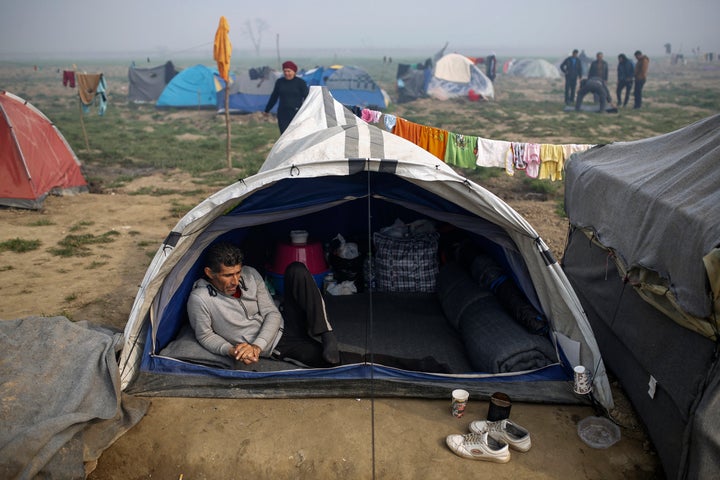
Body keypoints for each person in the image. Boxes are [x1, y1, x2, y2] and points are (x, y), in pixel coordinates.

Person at [187, 242, 341, 368]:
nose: (235, 281)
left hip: (285, 320)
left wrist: (256, 346)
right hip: (277, 345)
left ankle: (327, 333)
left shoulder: (250, 274)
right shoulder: (200, 299)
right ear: (209, 273)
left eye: (238, 272)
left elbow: (271, 312)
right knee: (331, 362)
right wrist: (234, 350)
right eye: (227, 275)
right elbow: (205, 335)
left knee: (296, 269)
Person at [264, 60, 309, 134]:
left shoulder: (300, 83)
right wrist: (267, 110)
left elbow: (307, 97)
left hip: (296, 113)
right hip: (283, 113)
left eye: (289, 71)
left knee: (296, 134)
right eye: (285, 71)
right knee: (284, 135)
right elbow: (274, 97)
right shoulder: (280, 82)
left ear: (294, 72)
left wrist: (307, 111)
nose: (286, 73)